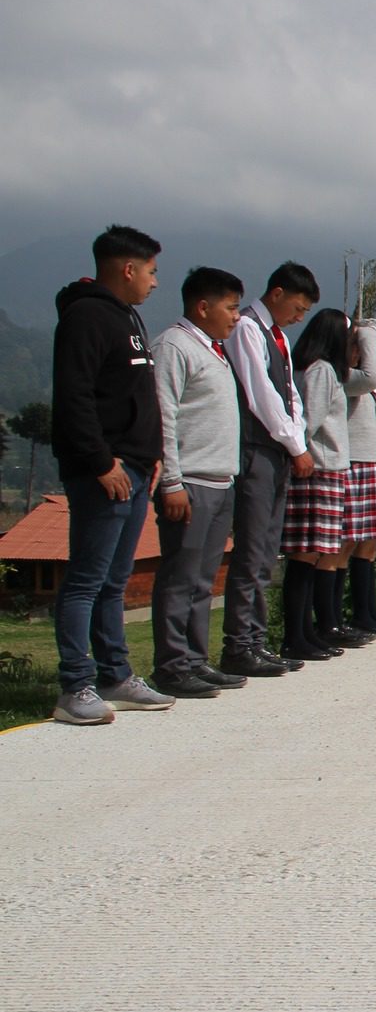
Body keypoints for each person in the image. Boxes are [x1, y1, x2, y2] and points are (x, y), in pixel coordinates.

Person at [48, 226, 172, 723]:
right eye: (151, 271)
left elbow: (139, 393)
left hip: (139, 468)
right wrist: (101, 462)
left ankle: (115, 675)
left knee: (116, 582)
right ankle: (74, 686)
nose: (154, 282)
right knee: (86, 580)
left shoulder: (129, 316)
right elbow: (74, 397)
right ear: (127, 269)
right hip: (105, 472)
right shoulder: (85, 317)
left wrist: (154, 453)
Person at [146, 266, 249, 700]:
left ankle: (194, 660)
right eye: (230, 307)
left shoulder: (214, 349)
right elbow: (163, 415)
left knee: (204, 580)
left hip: (219, 479)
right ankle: (171, 665)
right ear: (202, 306)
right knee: (179, 576)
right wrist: (171, 480)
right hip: (189, 479)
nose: (236, 317)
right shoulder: (174, 345)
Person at [220, 261, 319, 679]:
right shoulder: (247, 330)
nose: (299, 318)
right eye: (297, 308)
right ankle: (239, 644)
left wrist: (298, 436)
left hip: (278, 449)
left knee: (266, 552)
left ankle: (255, 640)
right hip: (257, 448)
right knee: (252, 551)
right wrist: (294, 443)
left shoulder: (277, 337)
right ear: (276, 294)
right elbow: (261, 394)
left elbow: (290, 395)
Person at [281, 308, 370, 661]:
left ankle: (307, 631)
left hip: (329, 469)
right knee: (306, 554)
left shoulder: (325, 371)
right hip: (317, 469)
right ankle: (296, 634)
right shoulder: (320, 371)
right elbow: (310, 420)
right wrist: (300, 453)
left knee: (317, 553)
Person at [339, 315, 376, 633]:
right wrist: (369, 333)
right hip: (352, 463)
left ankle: (366, 612)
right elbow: (372, 376)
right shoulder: (344, 377)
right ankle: (343, 618)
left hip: (369, 464)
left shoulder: (373, 391)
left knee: (368, 544)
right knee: (346, 545)